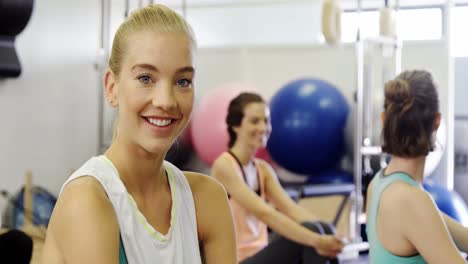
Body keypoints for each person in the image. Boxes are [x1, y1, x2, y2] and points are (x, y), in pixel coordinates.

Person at [42, 5, 236, 264]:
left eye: (182, 81)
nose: (166, 101)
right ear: (112, 88)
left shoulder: (207, 198)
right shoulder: (88, 200)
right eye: (146, 78)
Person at [211, 92, 344, 264]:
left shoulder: (263, 169)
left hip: (261, 254)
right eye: (254, 121)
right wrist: (316, 240)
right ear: (236, 126)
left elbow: (291, 209)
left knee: (323, 228)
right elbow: (264, 213)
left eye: (266, 120)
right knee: (314, 234)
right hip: (236, 260)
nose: (263, 128)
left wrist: (330, 235)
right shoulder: (225, 166)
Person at [366, 70, 468, 264]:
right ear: (437, 122)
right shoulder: (412, 200)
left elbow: (461, 236)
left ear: (384, 120)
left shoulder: (379, 183)